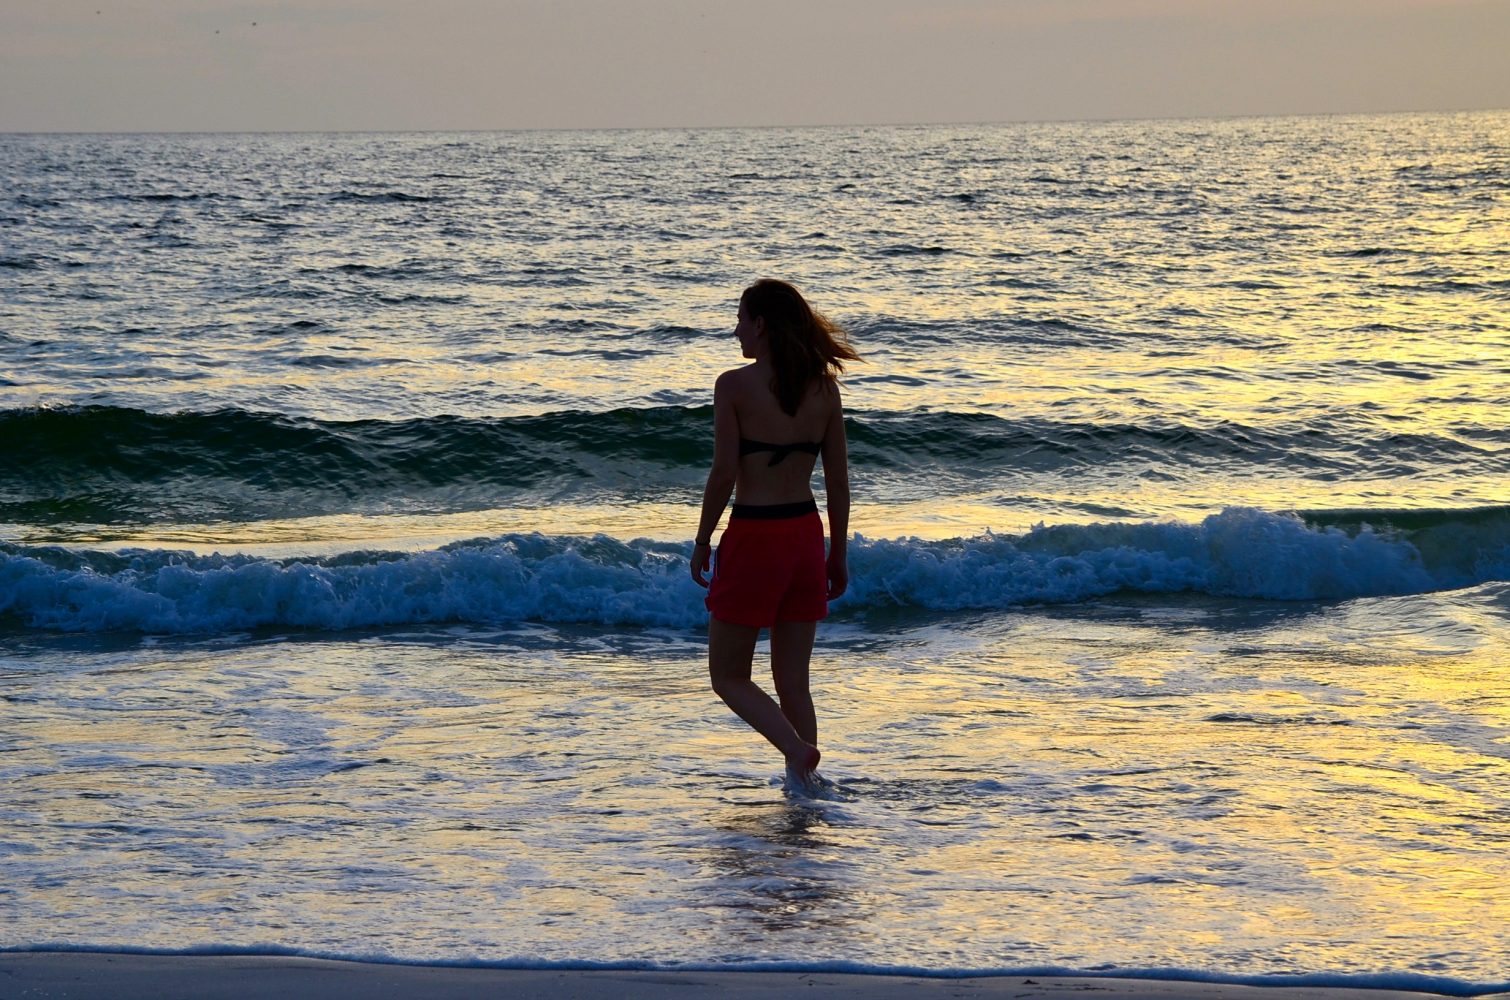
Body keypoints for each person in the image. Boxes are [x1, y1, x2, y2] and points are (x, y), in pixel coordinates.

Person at [690, 279, 859, 785]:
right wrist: (838, 553)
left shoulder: (733, 386)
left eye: (741, 319)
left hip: (756, 537)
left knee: (728, 677)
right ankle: (804, 791)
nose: (736, 330)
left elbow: (723, 473)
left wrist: (702, 540)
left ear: (760, 325)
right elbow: (838, 482)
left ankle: (796, 751)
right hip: (805, 536)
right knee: (793, 682)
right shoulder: (823, 389)